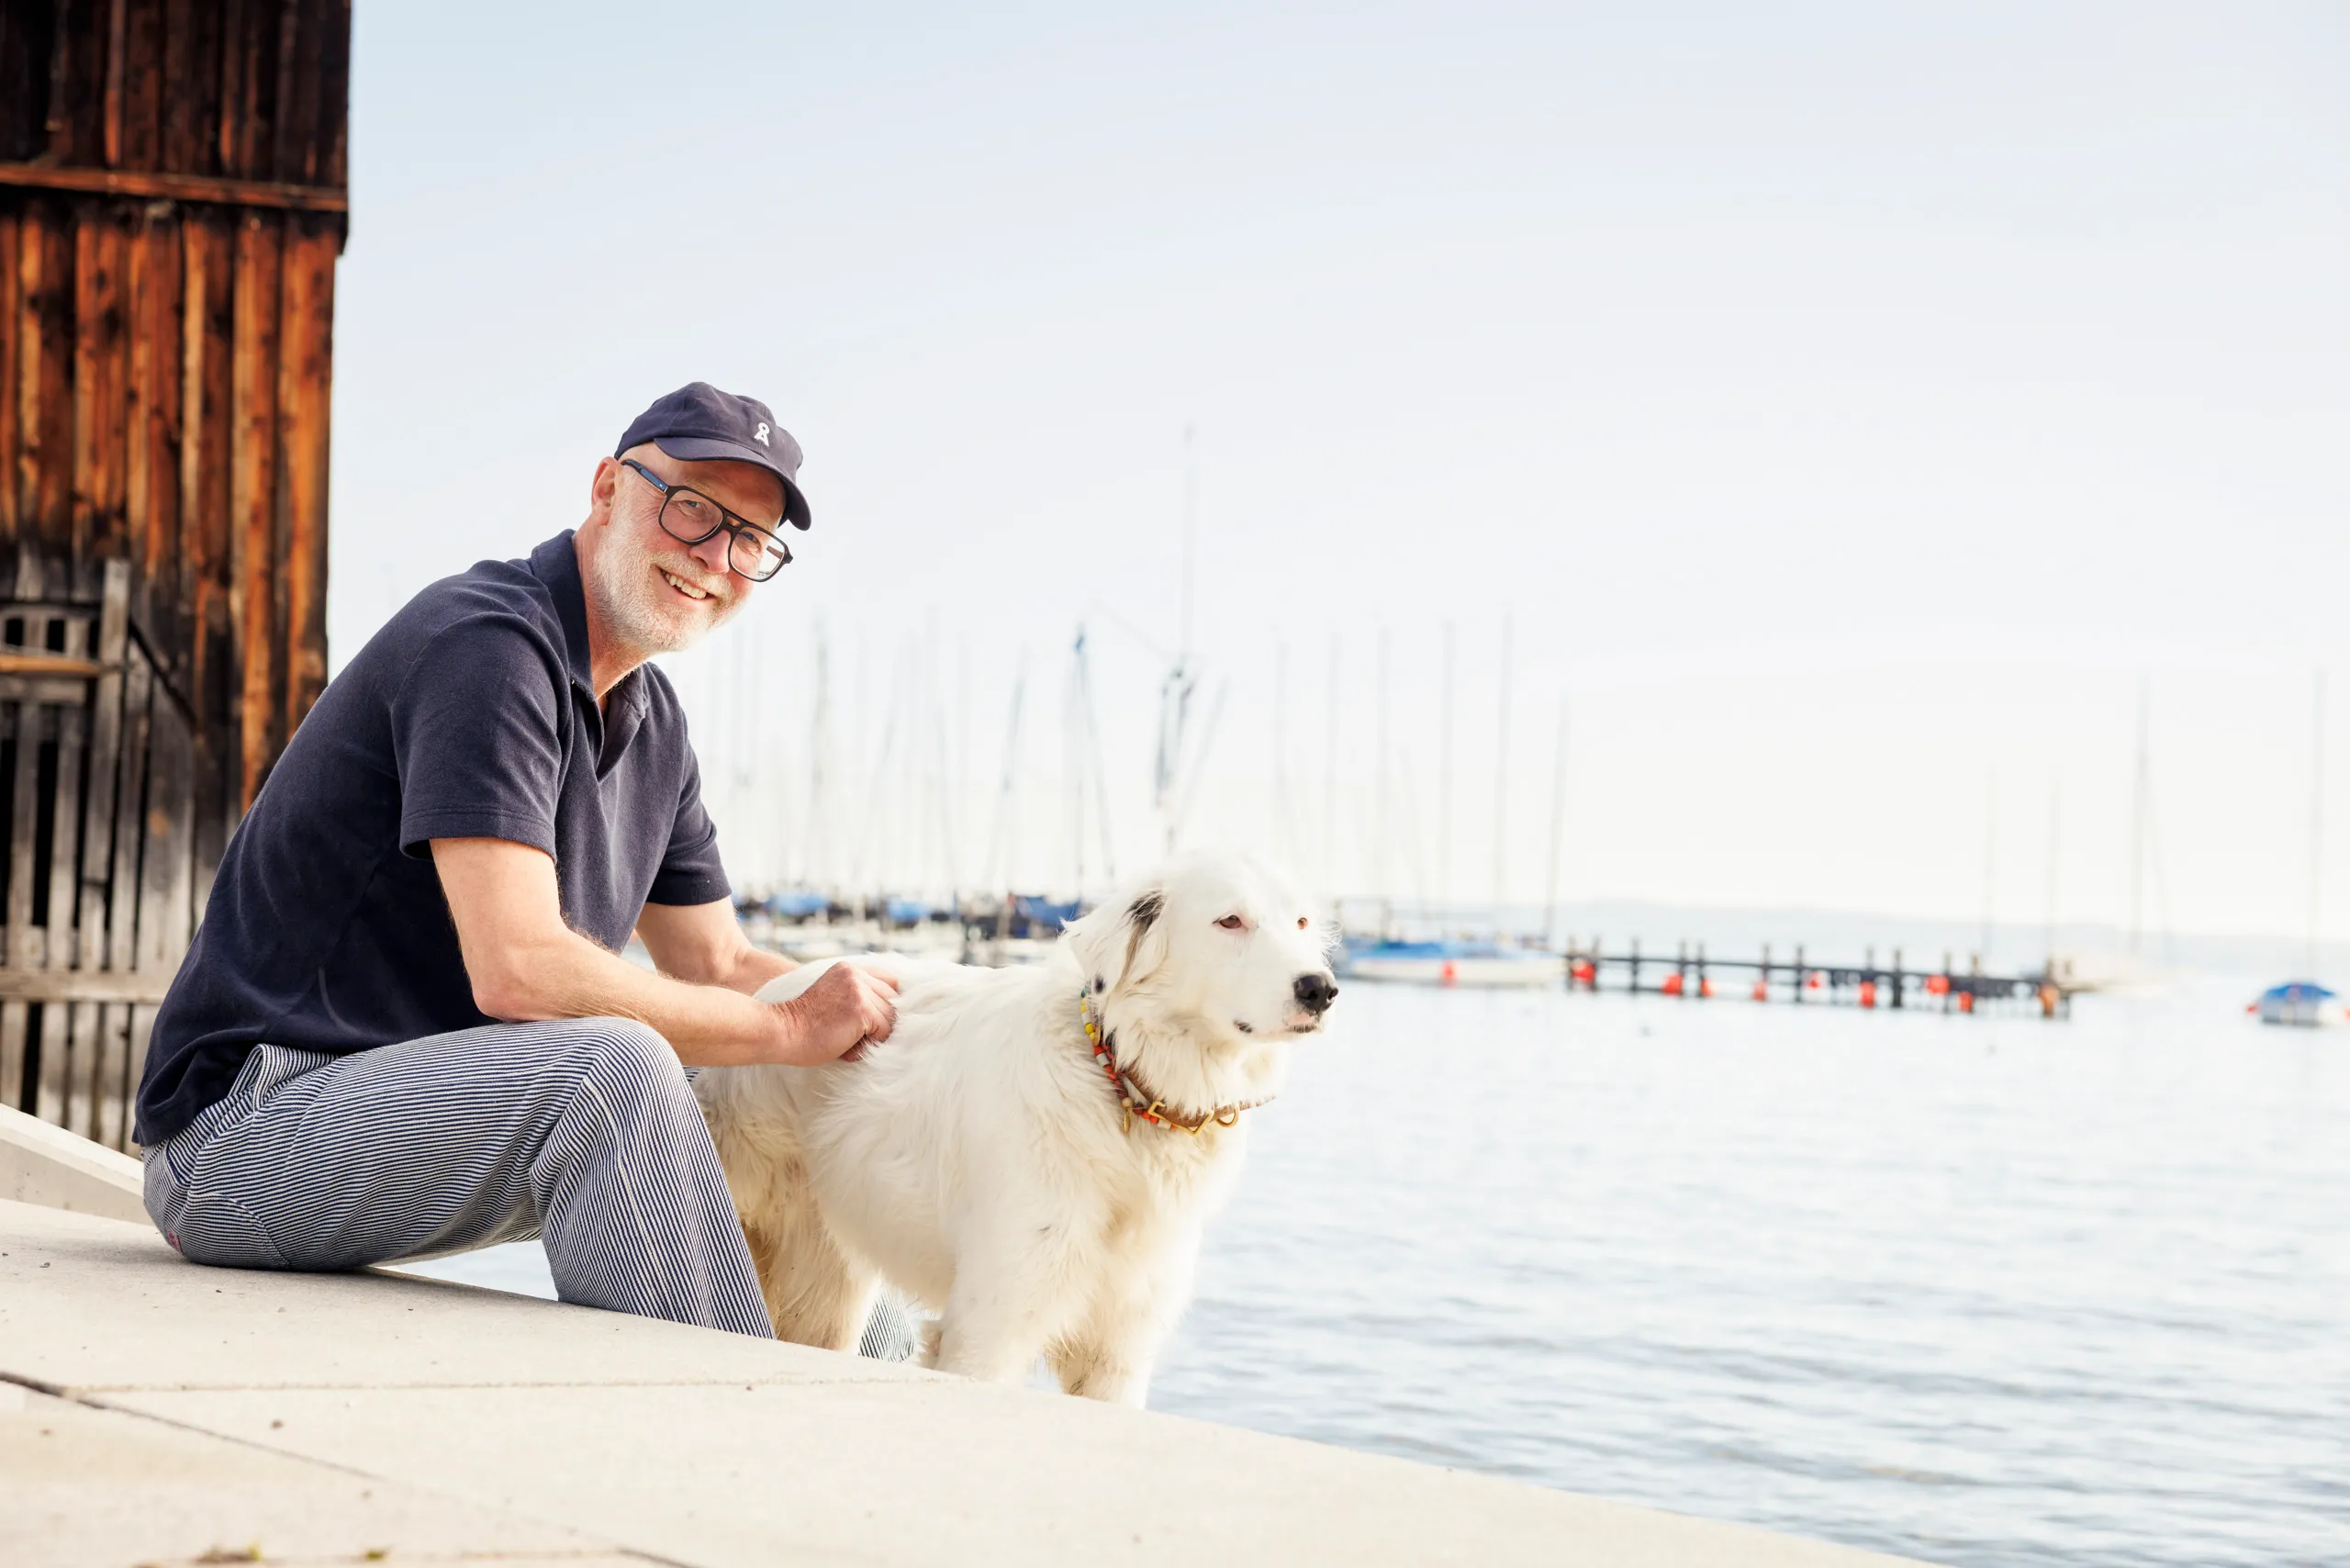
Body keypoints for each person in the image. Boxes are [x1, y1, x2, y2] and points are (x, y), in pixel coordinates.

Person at [132, 383, 896, 1338]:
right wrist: (785, 1028)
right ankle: (738, 1419)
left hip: (402, 1114)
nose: (715, 558)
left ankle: (881, 1398)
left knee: (782, 1086)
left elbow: (721, 964)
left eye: (750, 538)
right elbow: (521, 968)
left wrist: (922, 1030)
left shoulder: (652, 724)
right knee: (609, 1068)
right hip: (242, 1136)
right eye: (694, 506)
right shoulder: (489, 644)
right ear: (609, 488)